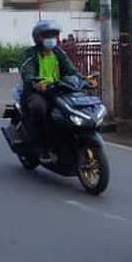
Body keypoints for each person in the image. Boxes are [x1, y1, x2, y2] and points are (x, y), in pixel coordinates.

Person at [19, 20, 81, 164]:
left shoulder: (59, 53)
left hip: (57, 91)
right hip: (37, 92)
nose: (52, 39)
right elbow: (26, 72)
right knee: (39, 108)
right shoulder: (31, 54)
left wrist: (85, 79)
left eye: (54, 35)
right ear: (38, 38)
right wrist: (35, 82)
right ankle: (42, 145)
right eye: (48, 35)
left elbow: (72, 71)